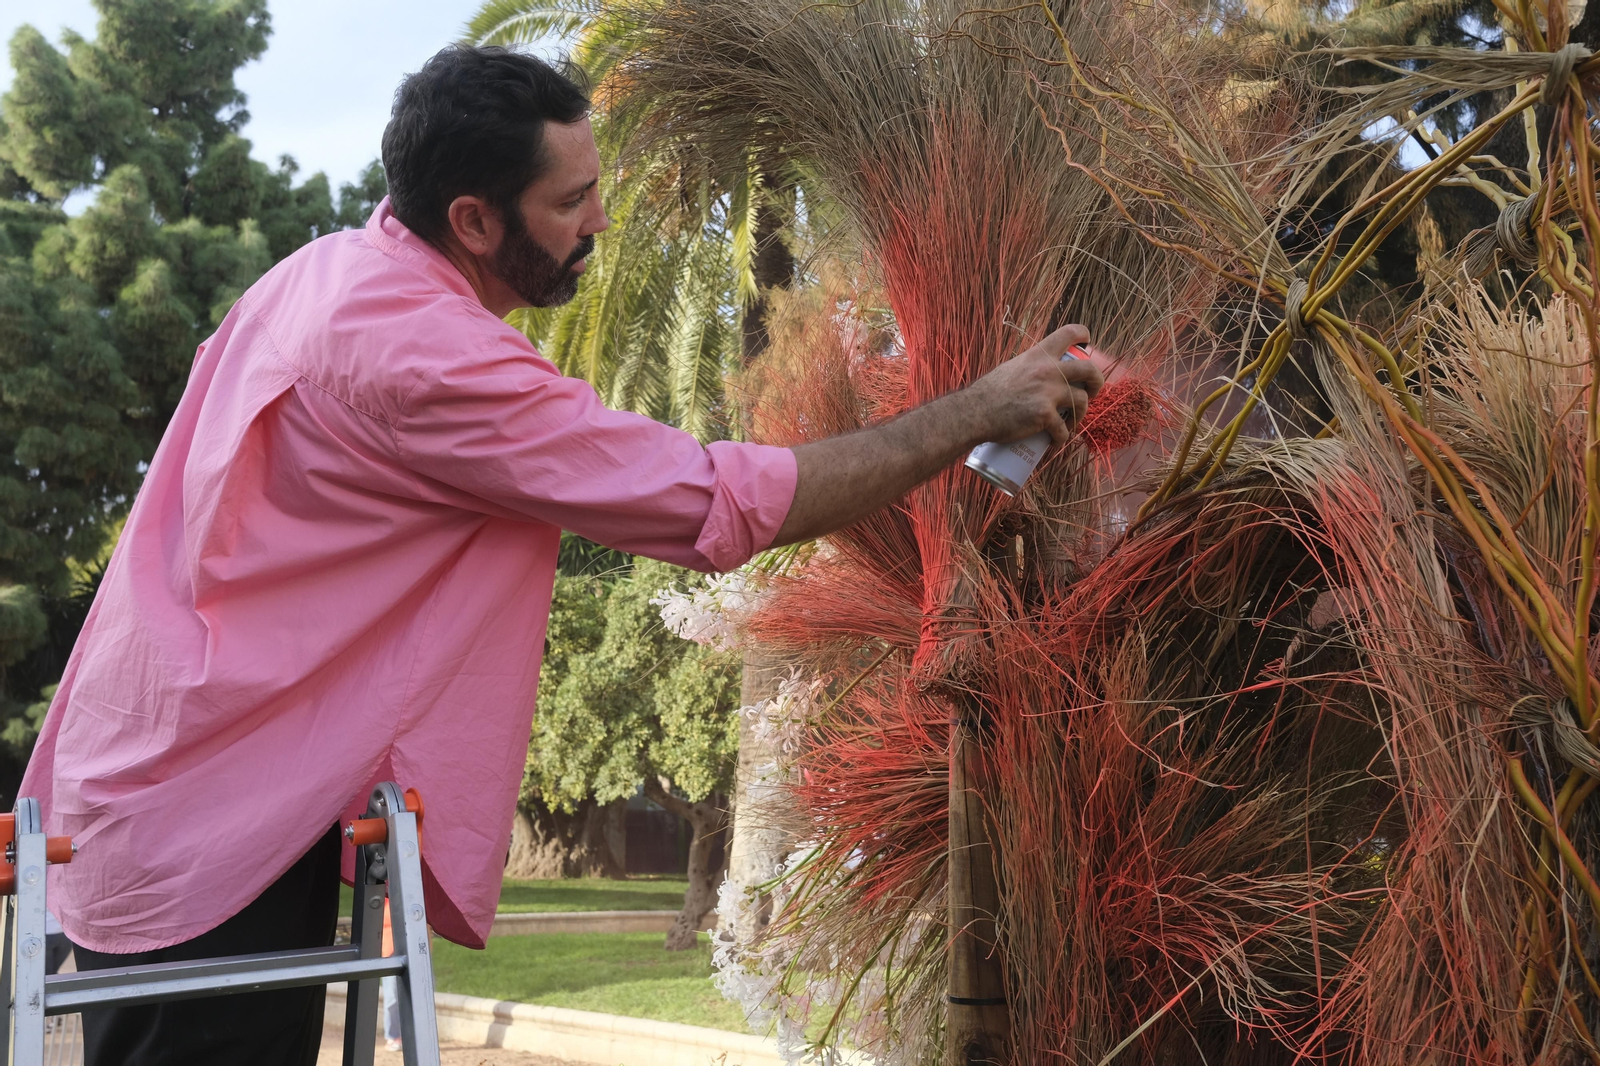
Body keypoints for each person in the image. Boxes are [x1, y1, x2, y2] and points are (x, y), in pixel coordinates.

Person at [19, 45, 1102, 1066]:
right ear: (475, 218)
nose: (599, 221)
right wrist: (973, 410)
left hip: (174, 778)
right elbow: (718, 505)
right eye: (571, 202)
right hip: (211, 830)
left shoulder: (327, 272)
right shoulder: (424, 356)